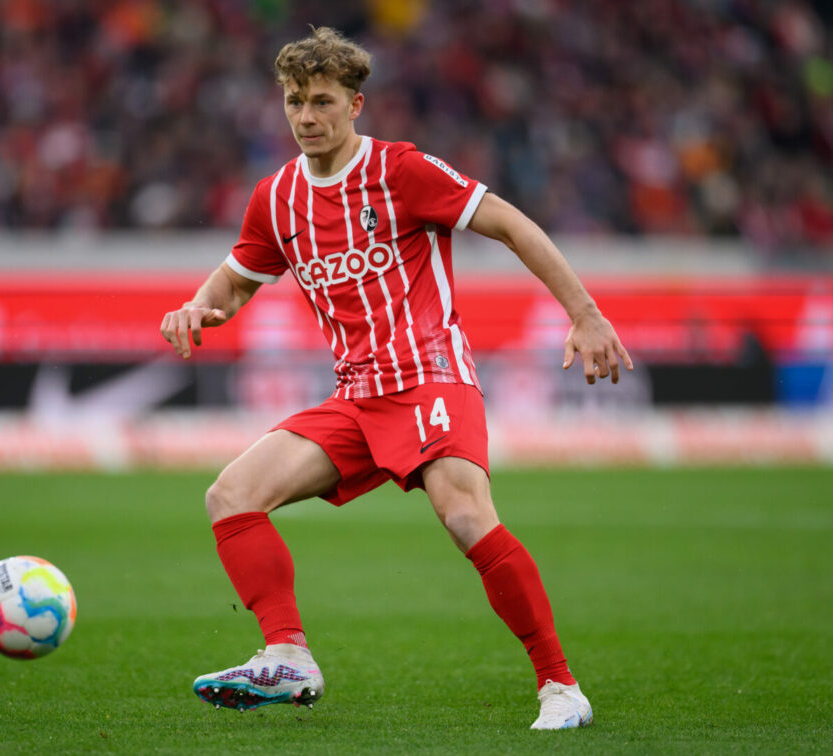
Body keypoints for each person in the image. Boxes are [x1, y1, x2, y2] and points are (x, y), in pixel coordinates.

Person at [160, 26, 633, 730]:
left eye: (322, 101)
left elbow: (509, 223)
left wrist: (585, 315)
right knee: (230, 495)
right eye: (294, 101)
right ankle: (287, 654)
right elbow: (236, 281)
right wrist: (200, 306)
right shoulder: (276, 198)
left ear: (356, 104)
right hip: (356, 396)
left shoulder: (401, 170)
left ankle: (561, 687)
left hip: (430, 377)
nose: (306, 116)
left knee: (464, 514)